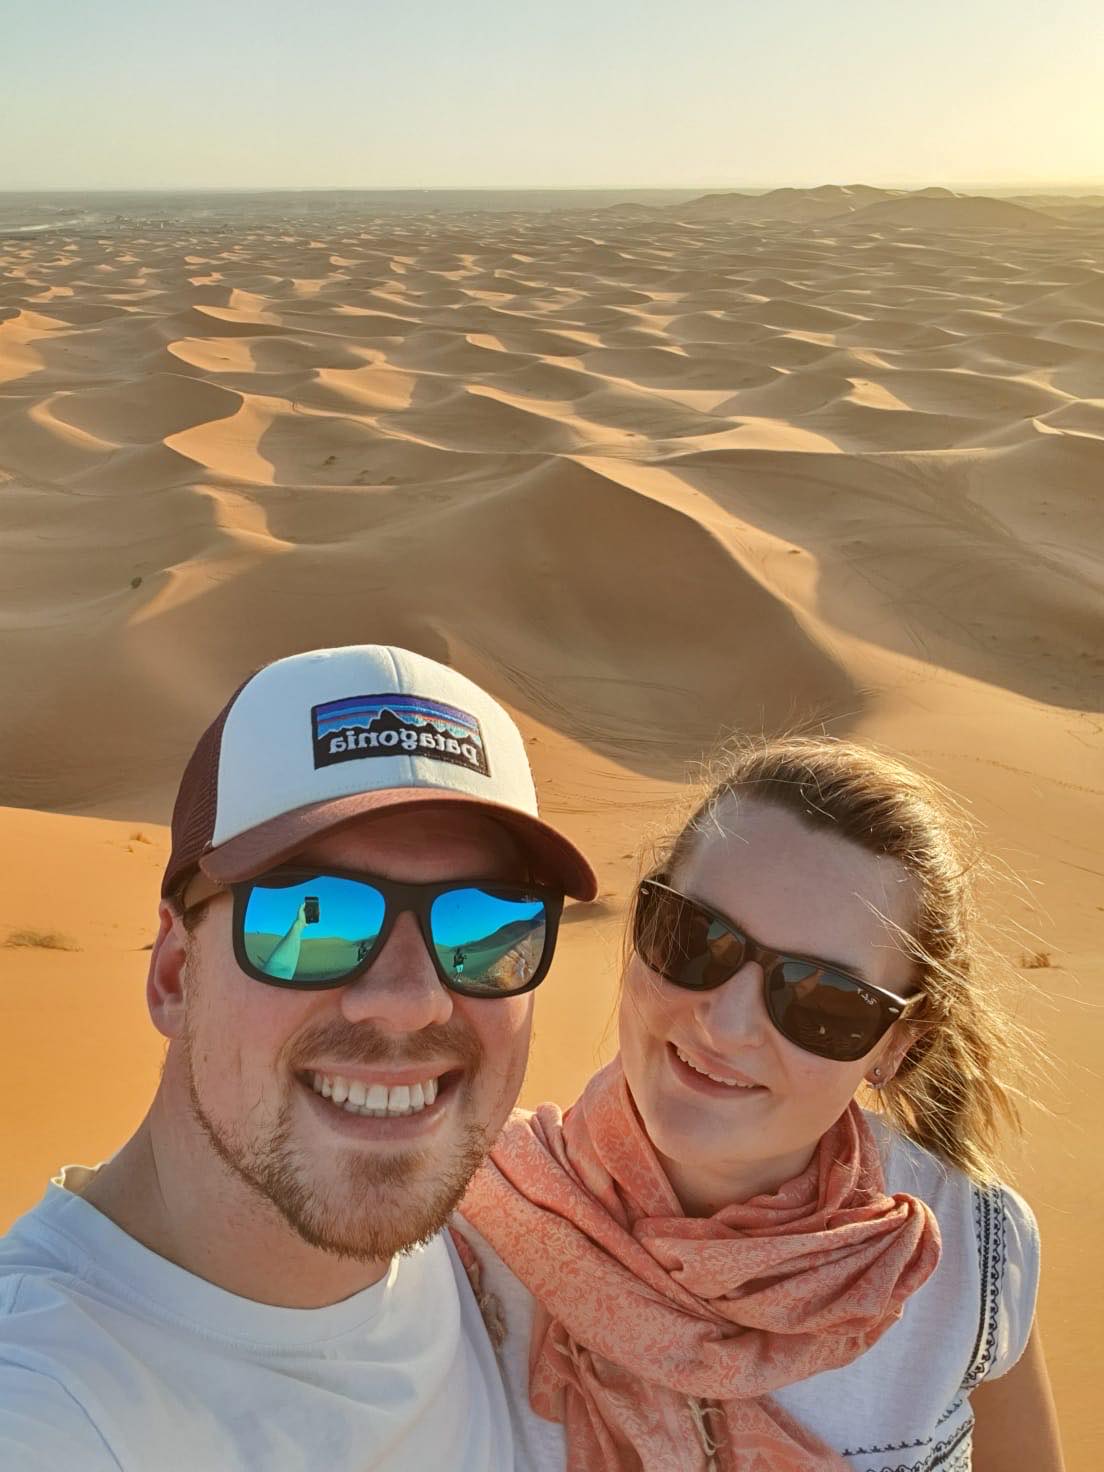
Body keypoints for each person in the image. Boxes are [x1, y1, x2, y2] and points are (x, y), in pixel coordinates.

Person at [0, 644, 597, 1471]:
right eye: (313, 922)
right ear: (176, 973)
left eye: (481, 925)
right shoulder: (45, 1404)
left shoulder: (533, 1243)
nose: (411, 999)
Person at [459, 736, 1067, 1472]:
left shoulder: (973, 1252)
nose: (725, 1024)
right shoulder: (463, 1232)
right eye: (695, 938)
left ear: (894, 1048)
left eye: (825, 1000)